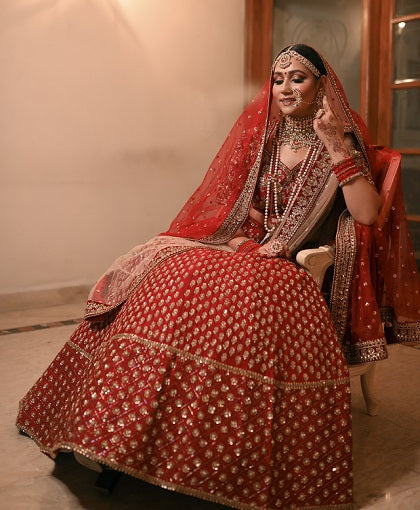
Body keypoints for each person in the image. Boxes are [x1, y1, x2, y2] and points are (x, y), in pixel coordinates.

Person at [17, 44, 420, 510]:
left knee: (233, 296)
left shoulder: (339, 139)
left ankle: (207, 447)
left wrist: (332, 144)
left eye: (299, 78)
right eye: (279, 79)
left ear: (321, 86)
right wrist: (243, 242)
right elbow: (237, 211)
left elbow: (367, 215)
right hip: (249, 251)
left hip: (293, 270)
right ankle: (123, 426)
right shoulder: (265, 140)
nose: (286, 88)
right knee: (175, 271)